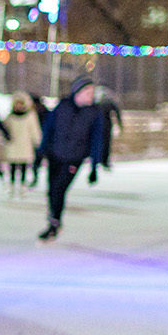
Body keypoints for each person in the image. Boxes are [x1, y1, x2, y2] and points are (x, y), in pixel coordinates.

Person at [36, 76, 105, 242]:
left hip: (74, 159)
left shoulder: (95, 114)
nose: (91, 95)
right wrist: (41, 151)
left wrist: (94, 167)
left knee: (59, 189)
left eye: (92, 92)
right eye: (88, 92)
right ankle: (53, 219)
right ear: (78, 92)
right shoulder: (63, 107)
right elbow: (48, 128)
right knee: (52, 190)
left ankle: (54, 223)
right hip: (55, 155)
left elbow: (97, 140)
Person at [1, 92, 43, 196]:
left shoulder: (30, 116)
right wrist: (5, 138)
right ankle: (11, 185)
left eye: (20, 103)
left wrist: (38, 142)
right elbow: (5, 129)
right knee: (13, 166)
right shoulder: (10, 117)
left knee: (24, 166)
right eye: (17, 104)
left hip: (25, 145)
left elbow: (35, 130)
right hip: (13, 144)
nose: (18, 106)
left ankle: (23, 186)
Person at [96, 87, 124, 175]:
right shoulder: (109, 101)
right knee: (106, 143)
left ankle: (97, 159)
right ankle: (105, 161)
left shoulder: (96, 102)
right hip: (107, 125)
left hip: (97, 125)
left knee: (97, 143)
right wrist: (120, 124)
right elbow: (117, 112)